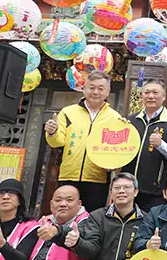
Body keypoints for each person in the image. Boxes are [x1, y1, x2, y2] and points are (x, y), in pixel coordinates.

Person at [44, 70, 121, 211]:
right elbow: (57, 142)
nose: (95, 92)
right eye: (91, 88)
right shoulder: (68, 112)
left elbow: (116, 148)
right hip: (68, 175)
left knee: (92, 219)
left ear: (108, 91)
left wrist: (113, 163)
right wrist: (52, 131)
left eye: (101, 88)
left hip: (97, 178)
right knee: (64, 214)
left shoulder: (114, 117)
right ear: (84, 89)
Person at [123, 79, 167, 212]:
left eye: (155, 92)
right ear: (142, 96)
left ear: (164, 97)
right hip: (128, 186)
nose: (151, 96)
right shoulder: (131, 120)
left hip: (155, 188)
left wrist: (161, 144)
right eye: (147, 92)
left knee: (151, 224)